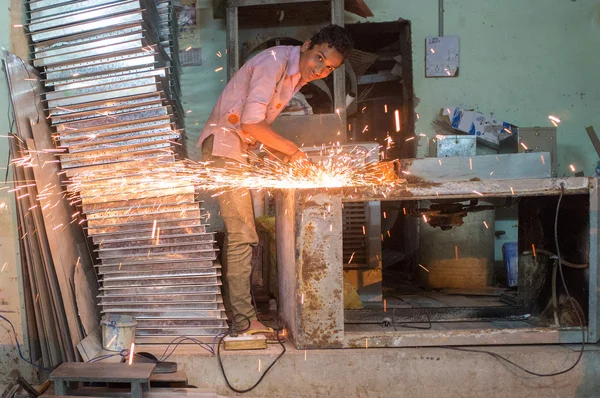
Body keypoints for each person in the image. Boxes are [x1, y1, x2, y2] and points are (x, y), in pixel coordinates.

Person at [197, 24, 353, 331]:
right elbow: (252, 122)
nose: (320, 69)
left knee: (246, 234)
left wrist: (279, 153)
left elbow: (255, 127)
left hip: (236, 148)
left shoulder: (294, 74)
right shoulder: (273, 62)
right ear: (307, 45)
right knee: (242, 235)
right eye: (319, 58)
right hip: (223, 147)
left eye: (329, 68)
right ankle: (244, 323)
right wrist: (292, 151)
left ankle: (244, 317)